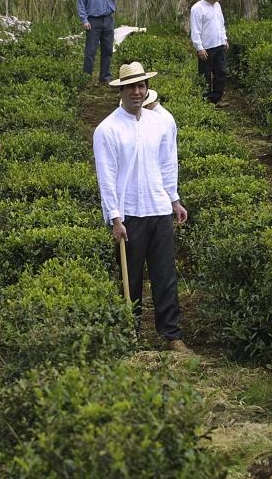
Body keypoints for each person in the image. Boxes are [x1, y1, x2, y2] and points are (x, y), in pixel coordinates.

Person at [93, 62, 191, 353]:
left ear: (147, 89)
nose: (137, 91)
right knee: (129, 278)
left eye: (141, 86)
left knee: (165, 276)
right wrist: (114, 217)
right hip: (129, 215)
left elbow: (167, 163)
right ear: (121, 91)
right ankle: (128, 334)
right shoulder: (107, 129)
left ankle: (171, 335)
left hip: (158, 209)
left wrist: (173, 199)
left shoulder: (159, 122)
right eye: (131, 87)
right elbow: (106, 176)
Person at [77, 0, 125, 83]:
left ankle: (105, 78)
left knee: (108, 50)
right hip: (93, 21)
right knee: (90, 52)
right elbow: (81, 3)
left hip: (108, 20)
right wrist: (84, 20)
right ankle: (86, 78)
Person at [190, 0, 229, 106]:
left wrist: (224, 39)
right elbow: (195, 30)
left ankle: (216, 99)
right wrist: (199, 48)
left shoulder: (217, 6)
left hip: (219, 45)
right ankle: (205, 102)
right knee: (205, 75)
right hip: (206, 48)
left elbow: (221, 24)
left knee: (221, 73)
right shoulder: (197, 9)